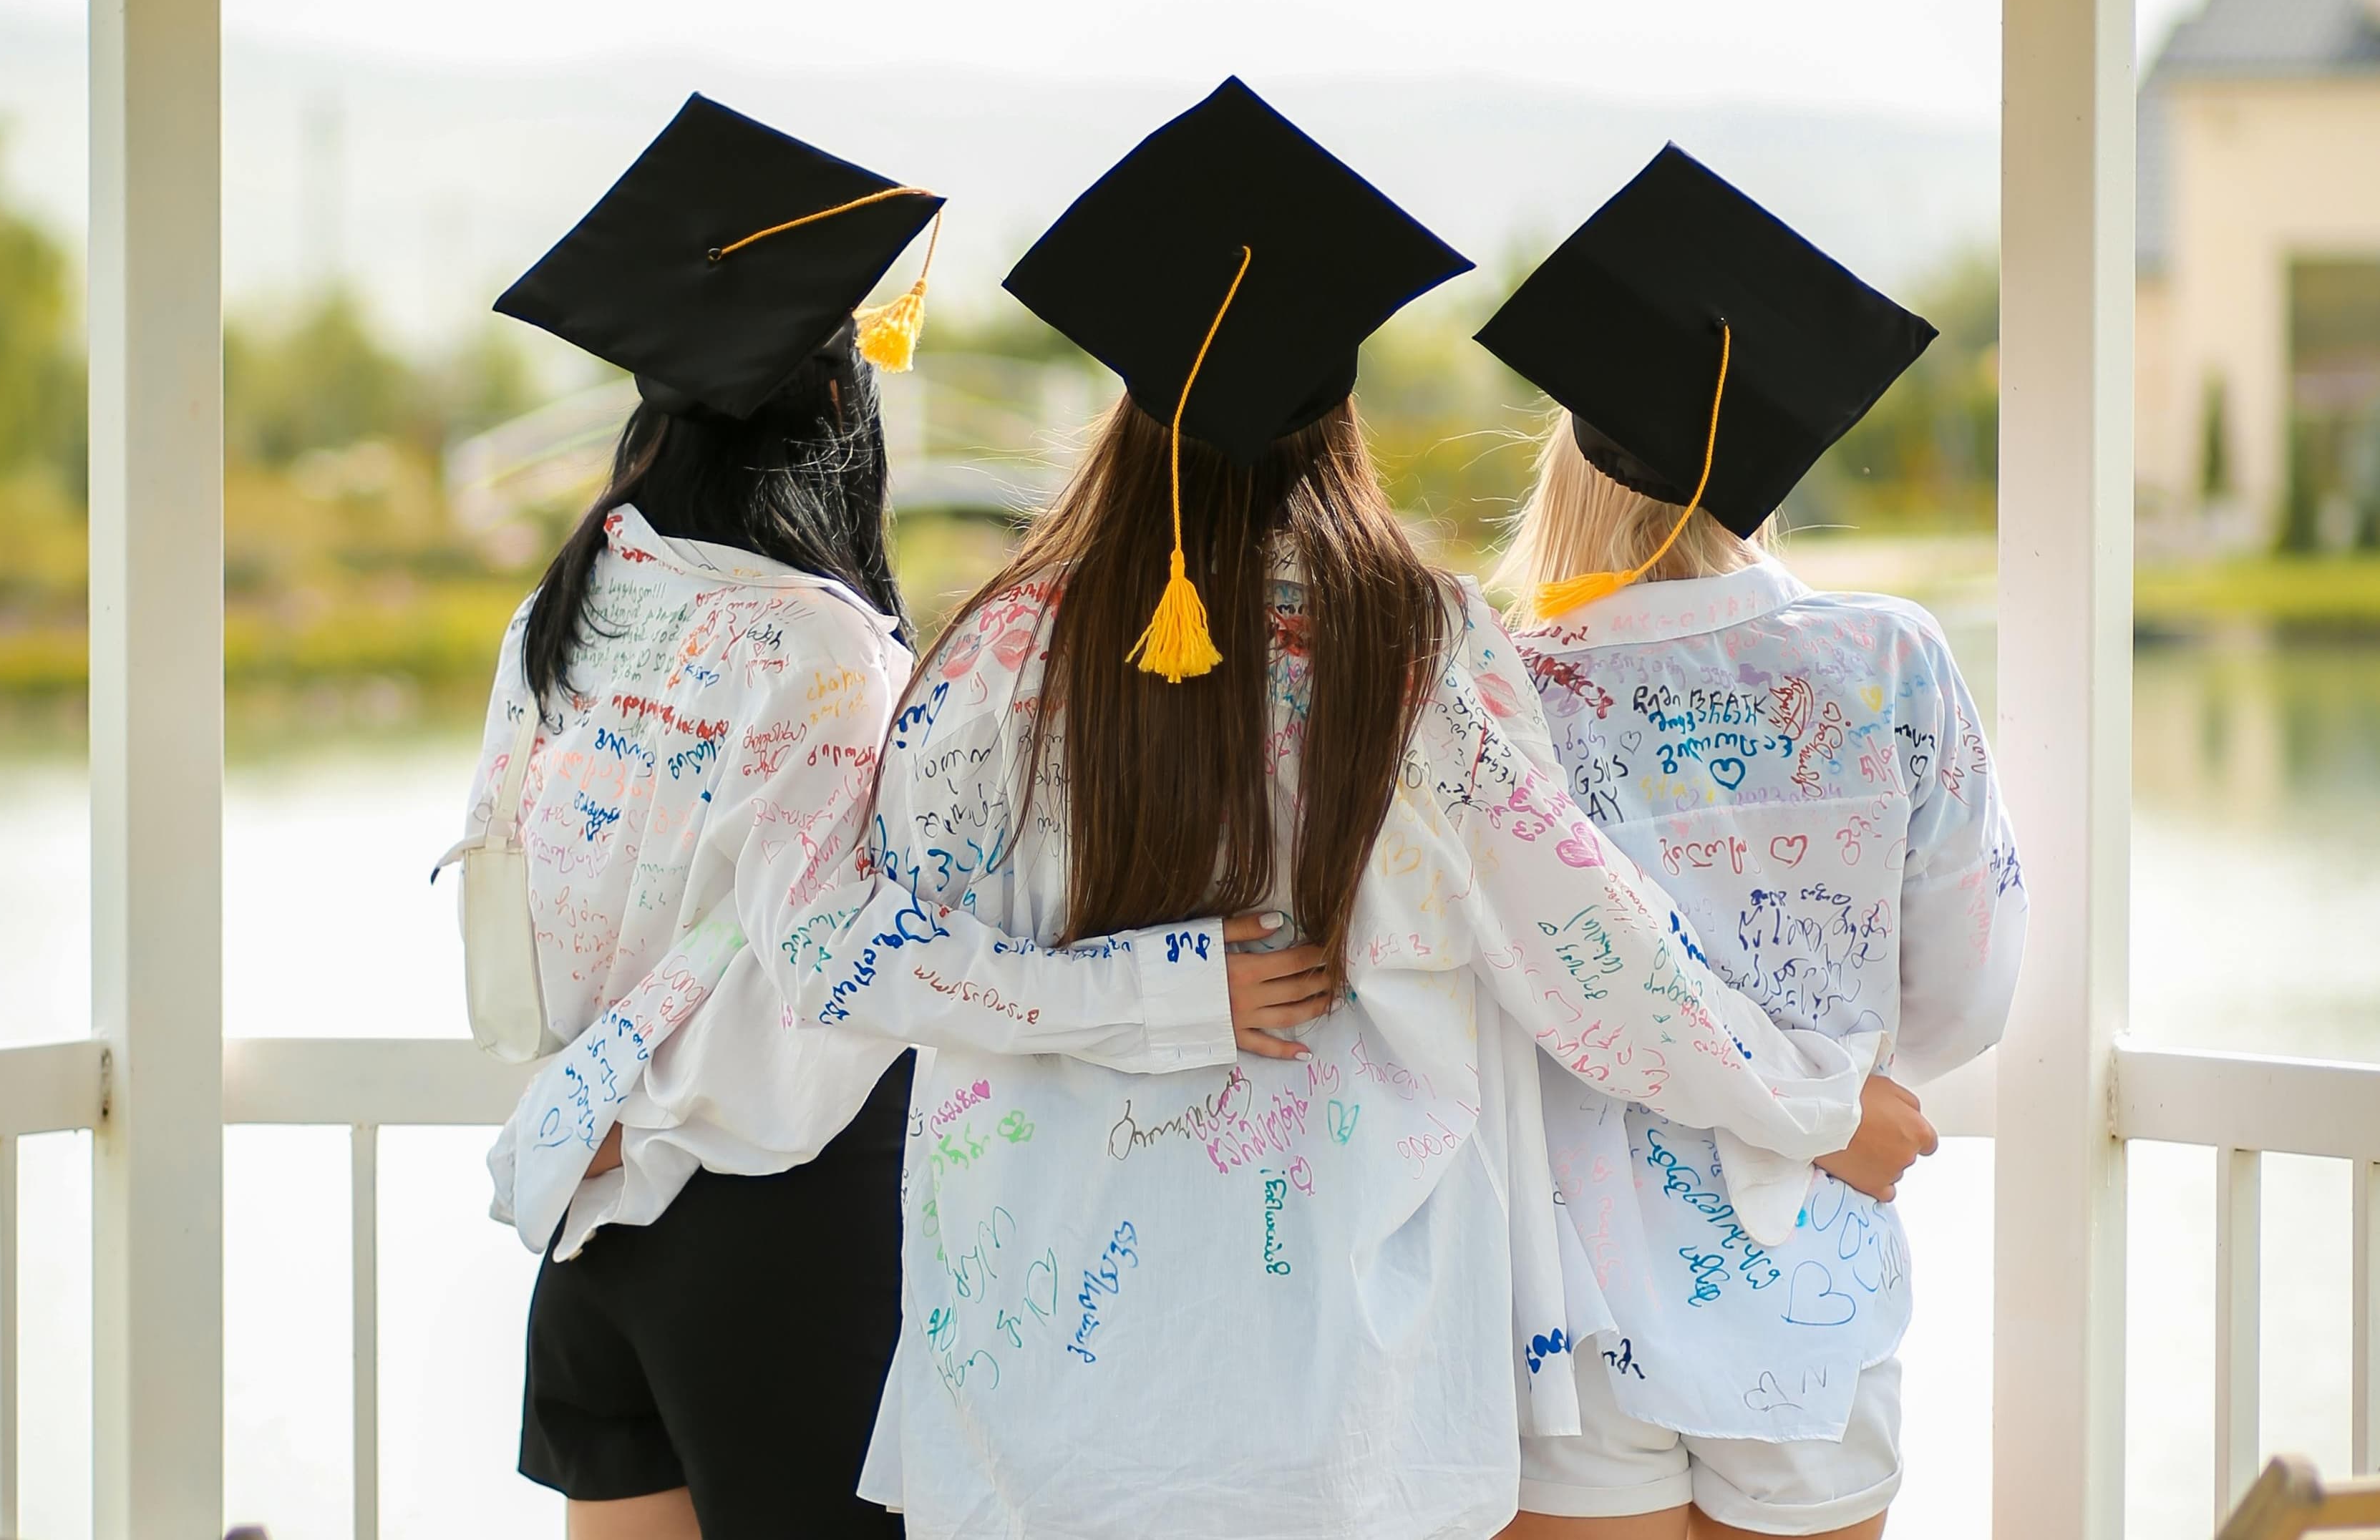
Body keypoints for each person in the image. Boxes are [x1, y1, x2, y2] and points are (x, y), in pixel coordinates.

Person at [850, 79, 1931, 1540]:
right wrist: (1810, 1109)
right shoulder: (1408, 644)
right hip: (1335, 1391)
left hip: (1033, 1380)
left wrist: (1135, 991)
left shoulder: (996, 650)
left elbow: (854, 957)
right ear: (1337, 410)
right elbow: (1589, 956)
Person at [460, 95, 1319, 1540]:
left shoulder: (564, 609)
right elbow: (844, 959)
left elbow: (514, 922)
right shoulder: (813, 645)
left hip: (593, 1227)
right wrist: (1167, 990)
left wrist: (606, 1099)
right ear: (837, 421)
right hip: (771, 1235)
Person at [1475, 146, 2027, 1540]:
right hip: (1808, 1272)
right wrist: (1842, 1078)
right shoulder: (1888, 661)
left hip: (1571, 1282)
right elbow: (1970, 988)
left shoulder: (1506, 694)